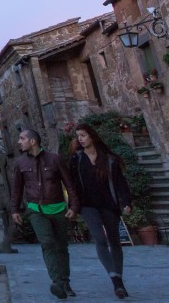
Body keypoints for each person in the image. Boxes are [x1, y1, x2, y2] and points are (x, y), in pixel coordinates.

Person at [11, 128, 80, 300]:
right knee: (47, 244)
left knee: (61, 247)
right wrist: (15, 210)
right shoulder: (20, 163)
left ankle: (65, 281)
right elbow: (17, 189)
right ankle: (56, 282)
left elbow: (69, 184)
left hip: (58, 209)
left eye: (22, 138)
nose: (19, 142)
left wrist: (73, 206)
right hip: (36, 209)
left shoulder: (54, 159)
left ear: (32, 141)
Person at [68, 123, 133, 299]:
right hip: (88, 206)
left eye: (83, 135)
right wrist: (73, 207)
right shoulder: (77, 159)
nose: (80, 139)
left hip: (109, 205)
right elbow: (71, 184)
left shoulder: (109, 159)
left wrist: (126, 202)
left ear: (92, 136)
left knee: (115, 241)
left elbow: (120, 183)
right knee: (100, 238)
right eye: (78, 136)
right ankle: (115, 281)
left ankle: (118, 278)